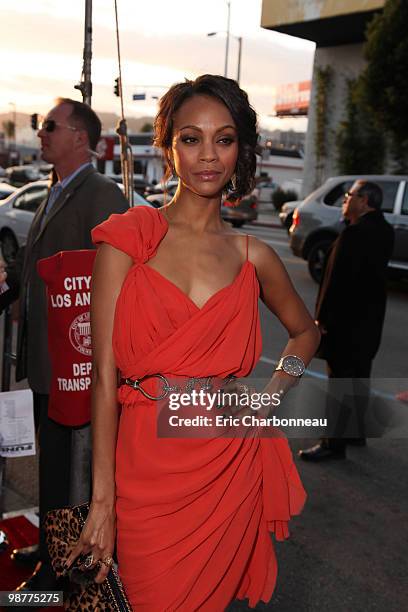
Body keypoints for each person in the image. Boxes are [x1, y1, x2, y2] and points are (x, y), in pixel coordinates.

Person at [68, 75, 320, 610]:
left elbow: (306, 332)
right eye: (191, 138)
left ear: (241, 150)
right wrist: (102, 500)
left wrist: (268, 399)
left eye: (224, 139)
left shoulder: (254, 256)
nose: (209, 155)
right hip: (143, 469)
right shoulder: (129, 240)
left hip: (226, 463)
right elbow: (103, 376)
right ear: (167, 146)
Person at [9, 98, 129, 592]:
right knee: (53, 467)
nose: (41, 133)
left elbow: (116, 284)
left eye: (50, 126)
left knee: (76, 475)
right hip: (46, 363)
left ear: (80, 137)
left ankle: (63, 569)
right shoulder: (57, 190)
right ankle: (50, 546)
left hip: (77, 372)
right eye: (41, 126)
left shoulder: (103, 196)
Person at [299, 181, 394, 462]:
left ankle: (333, 443)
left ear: (363, 201)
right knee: (358, 376)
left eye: (349, 196)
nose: (345, 200)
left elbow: (335, 284)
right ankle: (355, 432)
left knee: (340, 380)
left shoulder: (355, 235)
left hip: (345, 323)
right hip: (369, 322)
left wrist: (322, 319)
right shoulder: (384, 231)